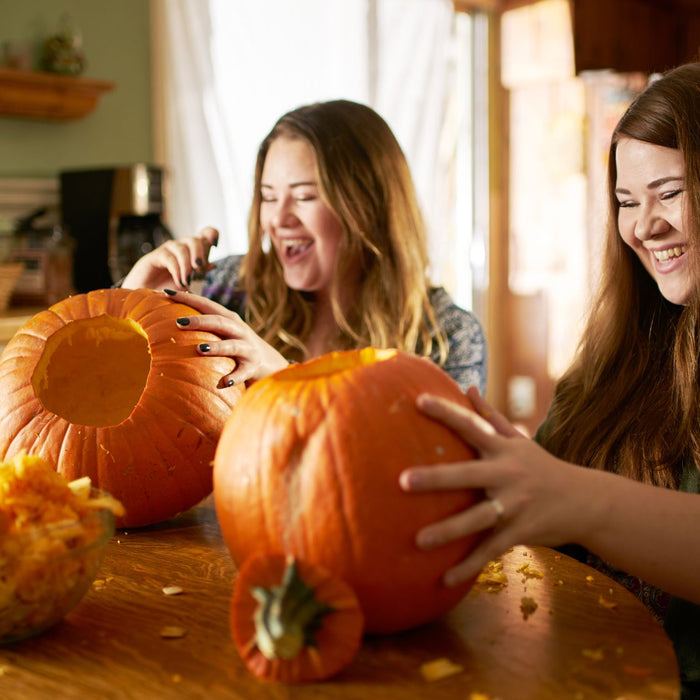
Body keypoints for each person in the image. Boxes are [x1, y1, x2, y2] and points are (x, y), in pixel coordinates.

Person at [399, 62, 700, 695]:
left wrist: (581, 500)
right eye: (625, 202)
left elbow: (566, 496)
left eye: (670, 192)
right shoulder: (611, 367)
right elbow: (528, 499)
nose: (645, 226)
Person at [121, 99, 486, 392]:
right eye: (268, 197)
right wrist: (135, 306)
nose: (279, 219)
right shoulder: (227, 288)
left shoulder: (448, 337)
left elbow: (423, 466)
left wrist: (282, 376)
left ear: (369, 204)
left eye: (305, 196)